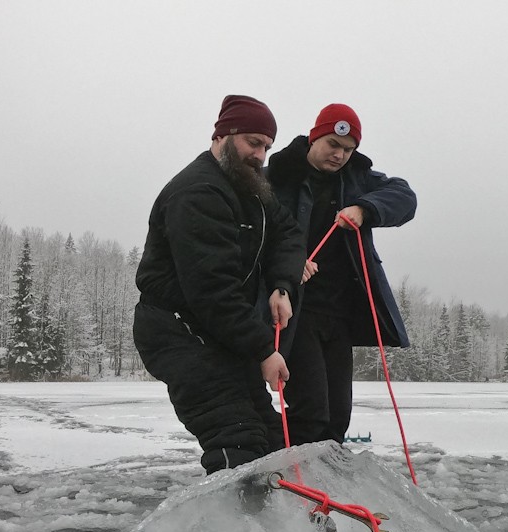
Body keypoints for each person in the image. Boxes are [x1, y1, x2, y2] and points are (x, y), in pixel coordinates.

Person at [133, 95, 305, 475]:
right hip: (178, 328)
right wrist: (263, 350)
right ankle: (238, 528)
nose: (260, 154)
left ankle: (284, 524)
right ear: (223, 136)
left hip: (220, 331)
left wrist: (282, 285)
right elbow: (212, 289)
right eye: (252, 142)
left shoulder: (252, 191)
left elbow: (288, 233)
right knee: (236, 435)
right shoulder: (197, 193)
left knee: (273, 438)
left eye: (266, 146)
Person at [267, 103, 417, 445]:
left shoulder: (359, 181)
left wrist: (366, 208)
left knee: (337, 417)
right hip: (295, 312)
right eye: (332, 145)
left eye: (348, 150)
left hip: (339, 315)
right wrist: (285, 265)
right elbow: (251, 236)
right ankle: (265, 466)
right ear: (314, 137)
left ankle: (323, 487)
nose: (339, 155)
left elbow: (405, 198)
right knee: (310, 412)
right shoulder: (277, 177)